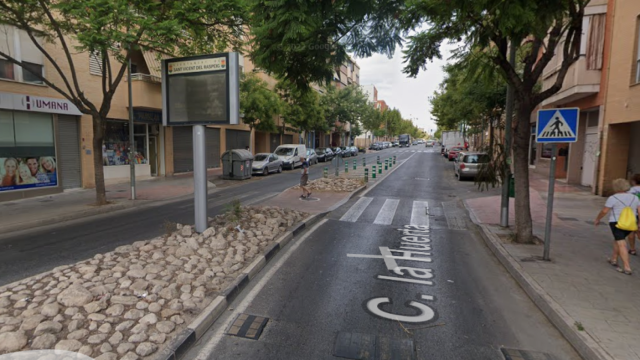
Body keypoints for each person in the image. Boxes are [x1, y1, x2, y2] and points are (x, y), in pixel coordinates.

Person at [594, 178, 640, 275]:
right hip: (631, 223)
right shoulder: (635, 197)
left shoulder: (613, 198)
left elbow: (605, 211)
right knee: (618, 240)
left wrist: (598, 219)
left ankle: (627, 267)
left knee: (622, 244)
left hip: (617, 223)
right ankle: (614, 259)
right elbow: (639, 211)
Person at [627, 174, 640, 255]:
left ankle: (632, 249)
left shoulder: (630, 191)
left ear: (634, 181)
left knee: (631, 231)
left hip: (633, 212)